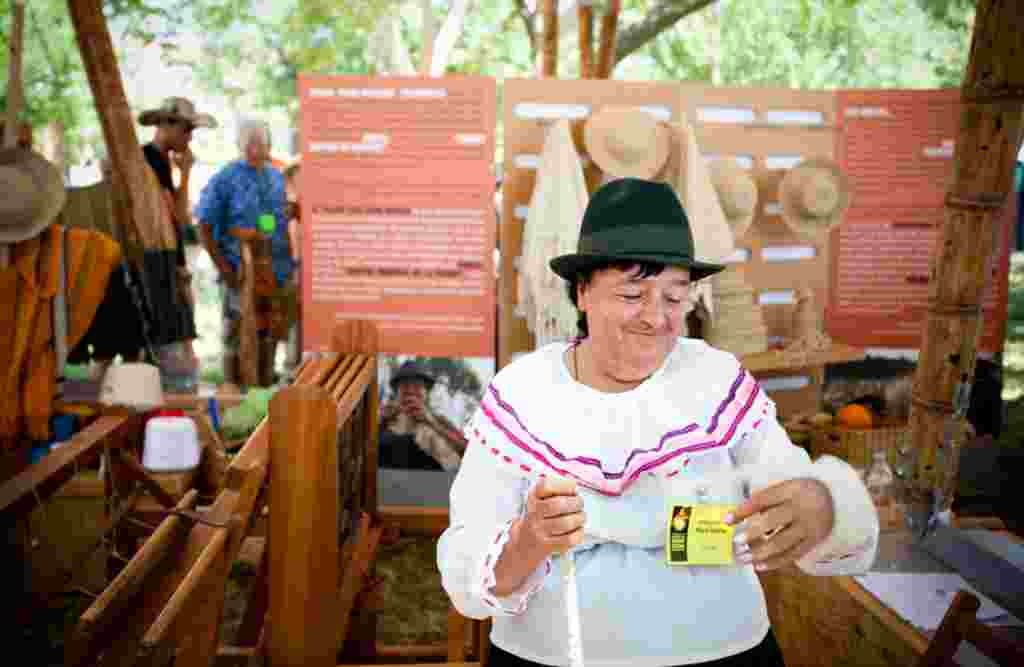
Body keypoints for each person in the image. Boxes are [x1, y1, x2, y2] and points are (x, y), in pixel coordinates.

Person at [437, 179, 879, 667]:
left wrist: (820, 502)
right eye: (633, 294)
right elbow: (469, 577)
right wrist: (528, 541)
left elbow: (786, 489)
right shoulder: (523, 393)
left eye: (674, 298)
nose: (657, 318)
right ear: (582, 292)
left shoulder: (714, 377)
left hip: (725, 654)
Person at [194, 118, 295, 388]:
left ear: (269, 145)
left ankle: (262, 389)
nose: (255, 148)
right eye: (249, 142)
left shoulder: (275, 176)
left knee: (268, 332)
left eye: (260, 142)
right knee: (236, 331)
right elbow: (203, 224)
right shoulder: (225, 178)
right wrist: (224, 268)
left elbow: (271, 218)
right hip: (238, 271)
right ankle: (232, 388)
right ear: (239, 145)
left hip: (273, 271)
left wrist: (272, 226)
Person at [379, 360, 468, 472]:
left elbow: (469, 453)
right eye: (405, 387)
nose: (411, 391)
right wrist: (381, 422)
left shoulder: (439, 421)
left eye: (417, 386)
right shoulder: (384, 421)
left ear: (426, 393)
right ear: (397, 394)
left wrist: (432, 423)